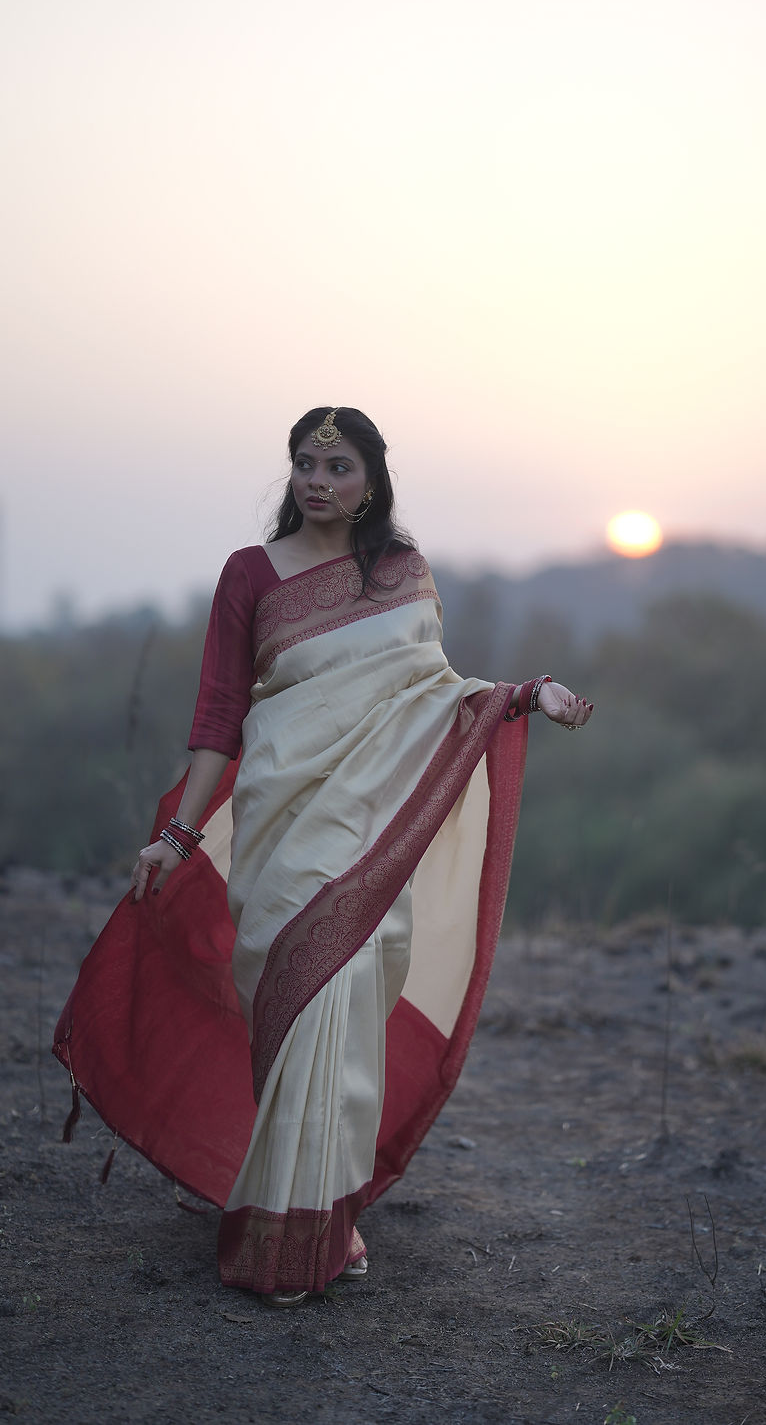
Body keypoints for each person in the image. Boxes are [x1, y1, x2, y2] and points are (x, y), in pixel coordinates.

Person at [53, 406, 593, 1307]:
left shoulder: (402, 576)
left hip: (370, 825)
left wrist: (528, 696)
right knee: (304, 1001)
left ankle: (324, 1218)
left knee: (348, 1000)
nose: (316, 480)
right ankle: (285, 1223)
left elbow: (434, 693)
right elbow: (219, 717)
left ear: (371, 480)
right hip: (282, 824)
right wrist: (178, 834)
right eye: (304, 462)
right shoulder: (250, 576)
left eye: (337, 465)